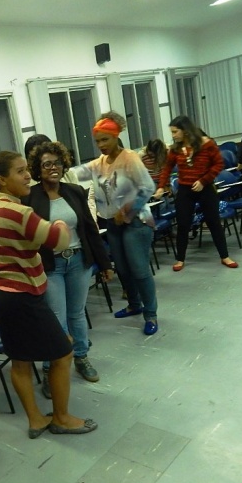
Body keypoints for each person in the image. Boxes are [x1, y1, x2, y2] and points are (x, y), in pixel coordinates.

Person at [0, 150, 97, 438]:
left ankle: (36, 419)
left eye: (27, 169)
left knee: (21, 360)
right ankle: (61, 418)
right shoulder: (19, 213)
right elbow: (58, 240)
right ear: (2, 180)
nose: (28, 176)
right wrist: (61, 224)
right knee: (64, 352)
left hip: (2, 297)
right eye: (20, 171)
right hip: (25, 296)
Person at [23, 140, 113, 397]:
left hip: (78, 261)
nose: (53, 168)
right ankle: (51, 369)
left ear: (64, 165)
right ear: (37, 169)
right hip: (50, 265)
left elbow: (90, 229)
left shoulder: (74, 191)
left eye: (57, 163)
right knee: (56, 319)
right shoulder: (29, 197)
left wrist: (104, 263)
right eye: (46, 164)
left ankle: (81, 357)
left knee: (77, 314)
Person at [76, 112, 159, 336]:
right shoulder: (100, 163)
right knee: (122, 268)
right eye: (97, 141)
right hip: (113, 223)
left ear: (116, 137)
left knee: (139, 269)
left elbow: (148, 187)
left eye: (105, 139)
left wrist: (128, 210)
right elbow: (77, 174)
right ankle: (134, 304)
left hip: (136, 222)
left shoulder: (129, 158)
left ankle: (150, 314)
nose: (101, 145)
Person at [154, 115, 239, 272]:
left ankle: (225, 256)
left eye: (175, 132)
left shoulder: (206, 144)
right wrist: (161, 186)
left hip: (205, 188)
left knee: (214, 222)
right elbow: (167, 168)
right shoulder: (175, 149)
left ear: (185, 130)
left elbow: (218, 164)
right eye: (172, 132)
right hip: (185, 190)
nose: (173, 135)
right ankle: (180, 259)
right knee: (183, 224)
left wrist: (203, 181)